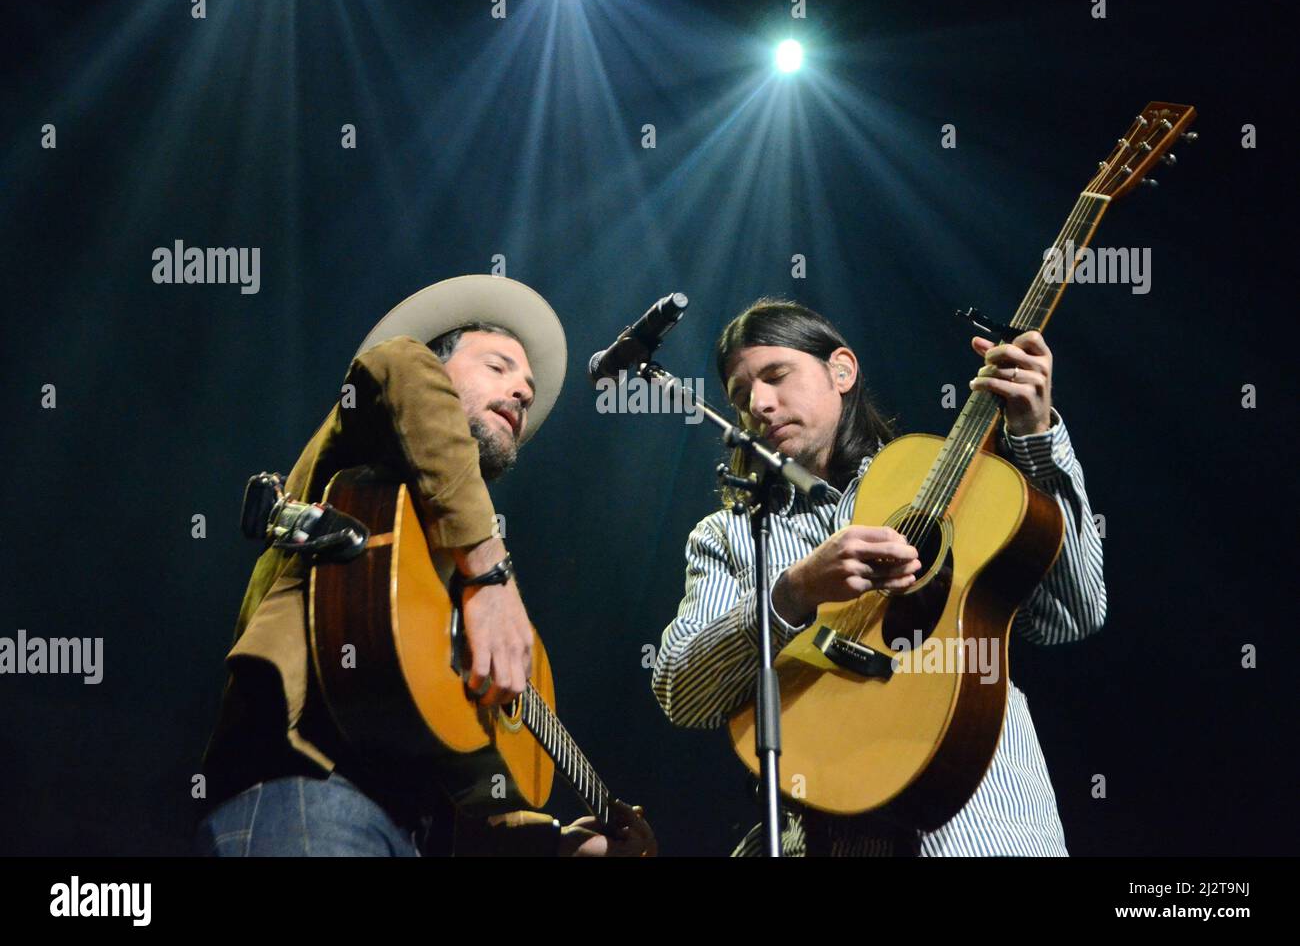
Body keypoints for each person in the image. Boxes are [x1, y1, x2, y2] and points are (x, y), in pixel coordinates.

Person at [197, 274, 654, 857]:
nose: (522, 391)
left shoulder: (436, 555)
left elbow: (450, 773)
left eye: (528, 388)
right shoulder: (381, 435)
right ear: (438, 367)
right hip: (307, 787)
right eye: (497, 366)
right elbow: (399, 366)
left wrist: (559, 846)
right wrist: (491, 573)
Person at [652, 298, 1105, 856]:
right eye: (740, 395)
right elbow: (683, 693)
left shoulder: (946, 483)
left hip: (988, 828)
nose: (759, 404)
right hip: (826, 838)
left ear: (841, 370)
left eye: (776, 375)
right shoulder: (729, 535)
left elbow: (1070, 616)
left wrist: (1034, 436)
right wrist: (794, 591)